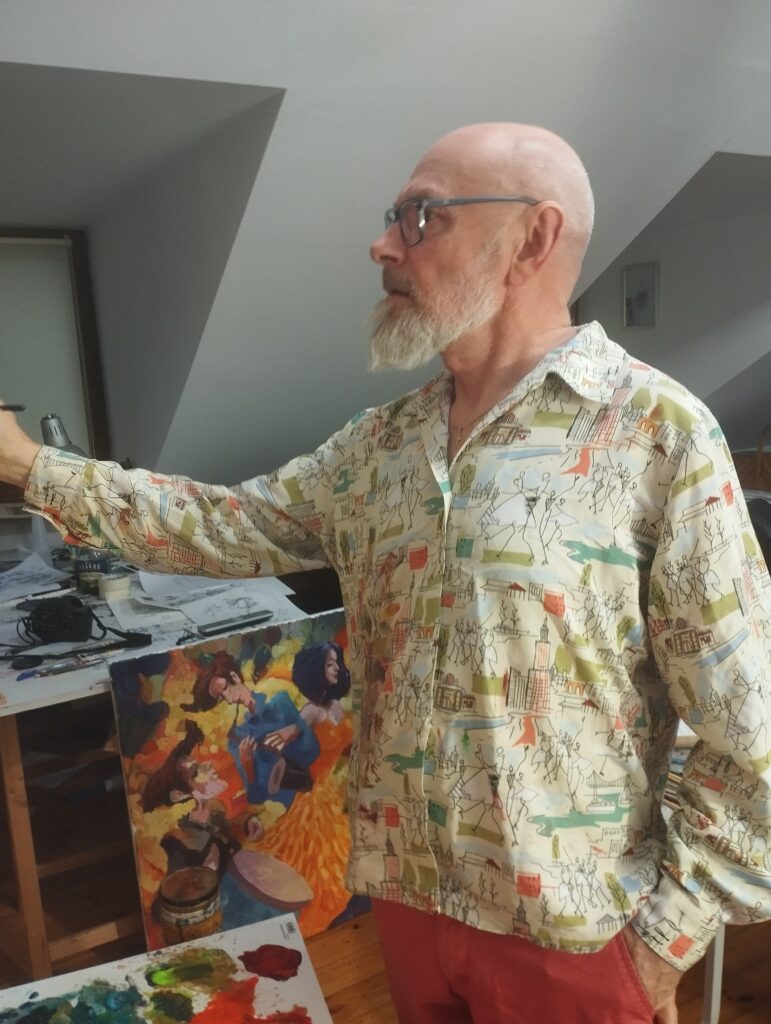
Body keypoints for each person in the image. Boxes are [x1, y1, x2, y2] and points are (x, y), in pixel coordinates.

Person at [1, 122, 769, 1024]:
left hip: (573, 934)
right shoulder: (379, 446)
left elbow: (750, 719)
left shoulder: (653, 431)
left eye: (421, 216)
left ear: (533, 236)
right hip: (405, 898)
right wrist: (26, 463)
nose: (382, 245)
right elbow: (223, 524)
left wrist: (662, 940)